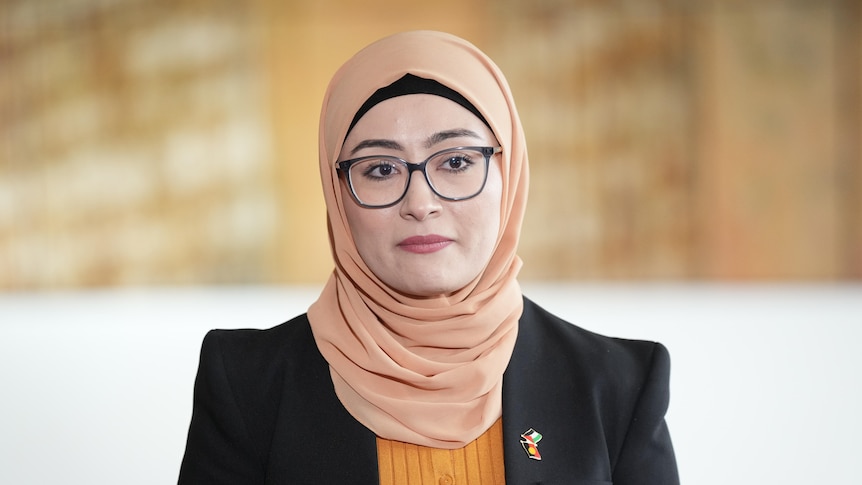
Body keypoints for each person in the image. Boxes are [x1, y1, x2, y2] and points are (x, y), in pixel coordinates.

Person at [178, 30, 679, 484]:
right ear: (337, 194)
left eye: (457, 161)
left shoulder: (615, 385)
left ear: (510, 176)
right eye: (379, 170)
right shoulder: (249, 385)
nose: (420, 203)